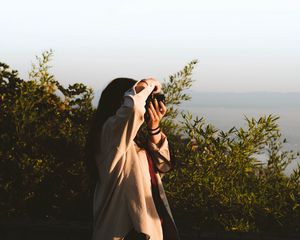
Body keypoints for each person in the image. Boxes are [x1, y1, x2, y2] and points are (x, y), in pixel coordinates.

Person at [85, 77, 180, 240]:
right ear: (121, 102)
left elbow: (165, 165)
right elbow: (134, 108)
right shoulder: (109, 135)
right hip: (124, 233)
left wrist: (154, 128)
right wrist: (148, 84)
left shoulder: (135, 142)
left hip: (150, 230)